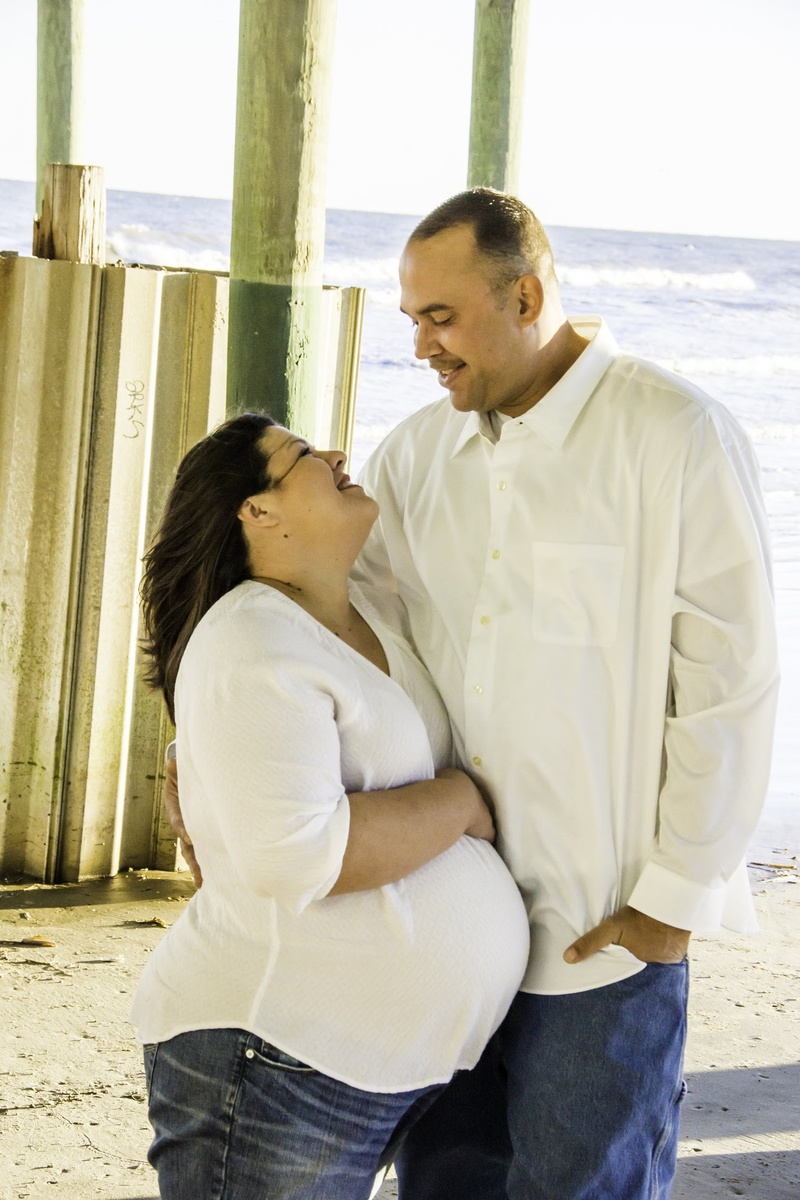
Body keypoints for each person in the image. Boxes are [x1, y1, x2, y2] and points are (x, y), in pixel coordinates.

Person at [347, 188, 780, 1200]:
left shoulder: (673, 435)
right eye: (410, 319)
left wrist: (671, 902)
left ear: (525, 294)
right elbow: (353, 646)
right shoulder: (412, 456)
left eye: (439, 317)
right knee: (444, 1185)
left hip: (600, 934)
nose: (420, 347)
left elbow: (733, 681)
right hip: (448, 922)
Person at [131, 411, 530, 1200]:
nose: (338, 454)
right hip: (276, 1058)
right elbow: (299, 855)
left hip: (362, 1063)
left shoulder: (367, 616)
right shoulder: (249, 639)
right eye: (304, 454)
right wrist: (457, 804)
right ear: (259, 511)